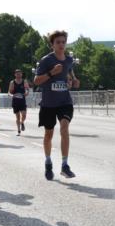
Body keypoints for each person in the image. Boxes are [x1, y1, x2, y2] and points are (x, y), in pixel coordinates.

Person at [33, 30, 80, 180]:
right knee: (49, 134)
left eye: (63, 42)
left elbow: (70, 75)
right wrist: (51, 73)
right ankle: (48, 162)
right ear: (52, 44)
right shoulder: (46, 60)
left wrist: (74, 81)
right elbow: (36, 81)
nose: (61, 45)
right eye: (58, 42)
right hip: (48, 103)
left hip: (64, 102)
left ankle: (65, 165)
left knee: (64, 128)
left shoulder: (69, 60)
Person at [9, 68, 28, 135]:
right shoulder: (12, 82)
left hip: (22, 100)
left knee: (24, 115)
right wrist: (12, 96)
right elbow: (9, 92)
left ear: (22, 74)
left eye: (20, 73)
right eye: (17, 74)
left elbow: (27, 90)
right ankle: (19, 131)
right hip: (15, 101)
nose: (18, 75)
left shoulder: (24, 81)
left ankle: (22, 122)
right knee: (17, 116)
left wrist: (26, 93)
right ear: (15, 75)